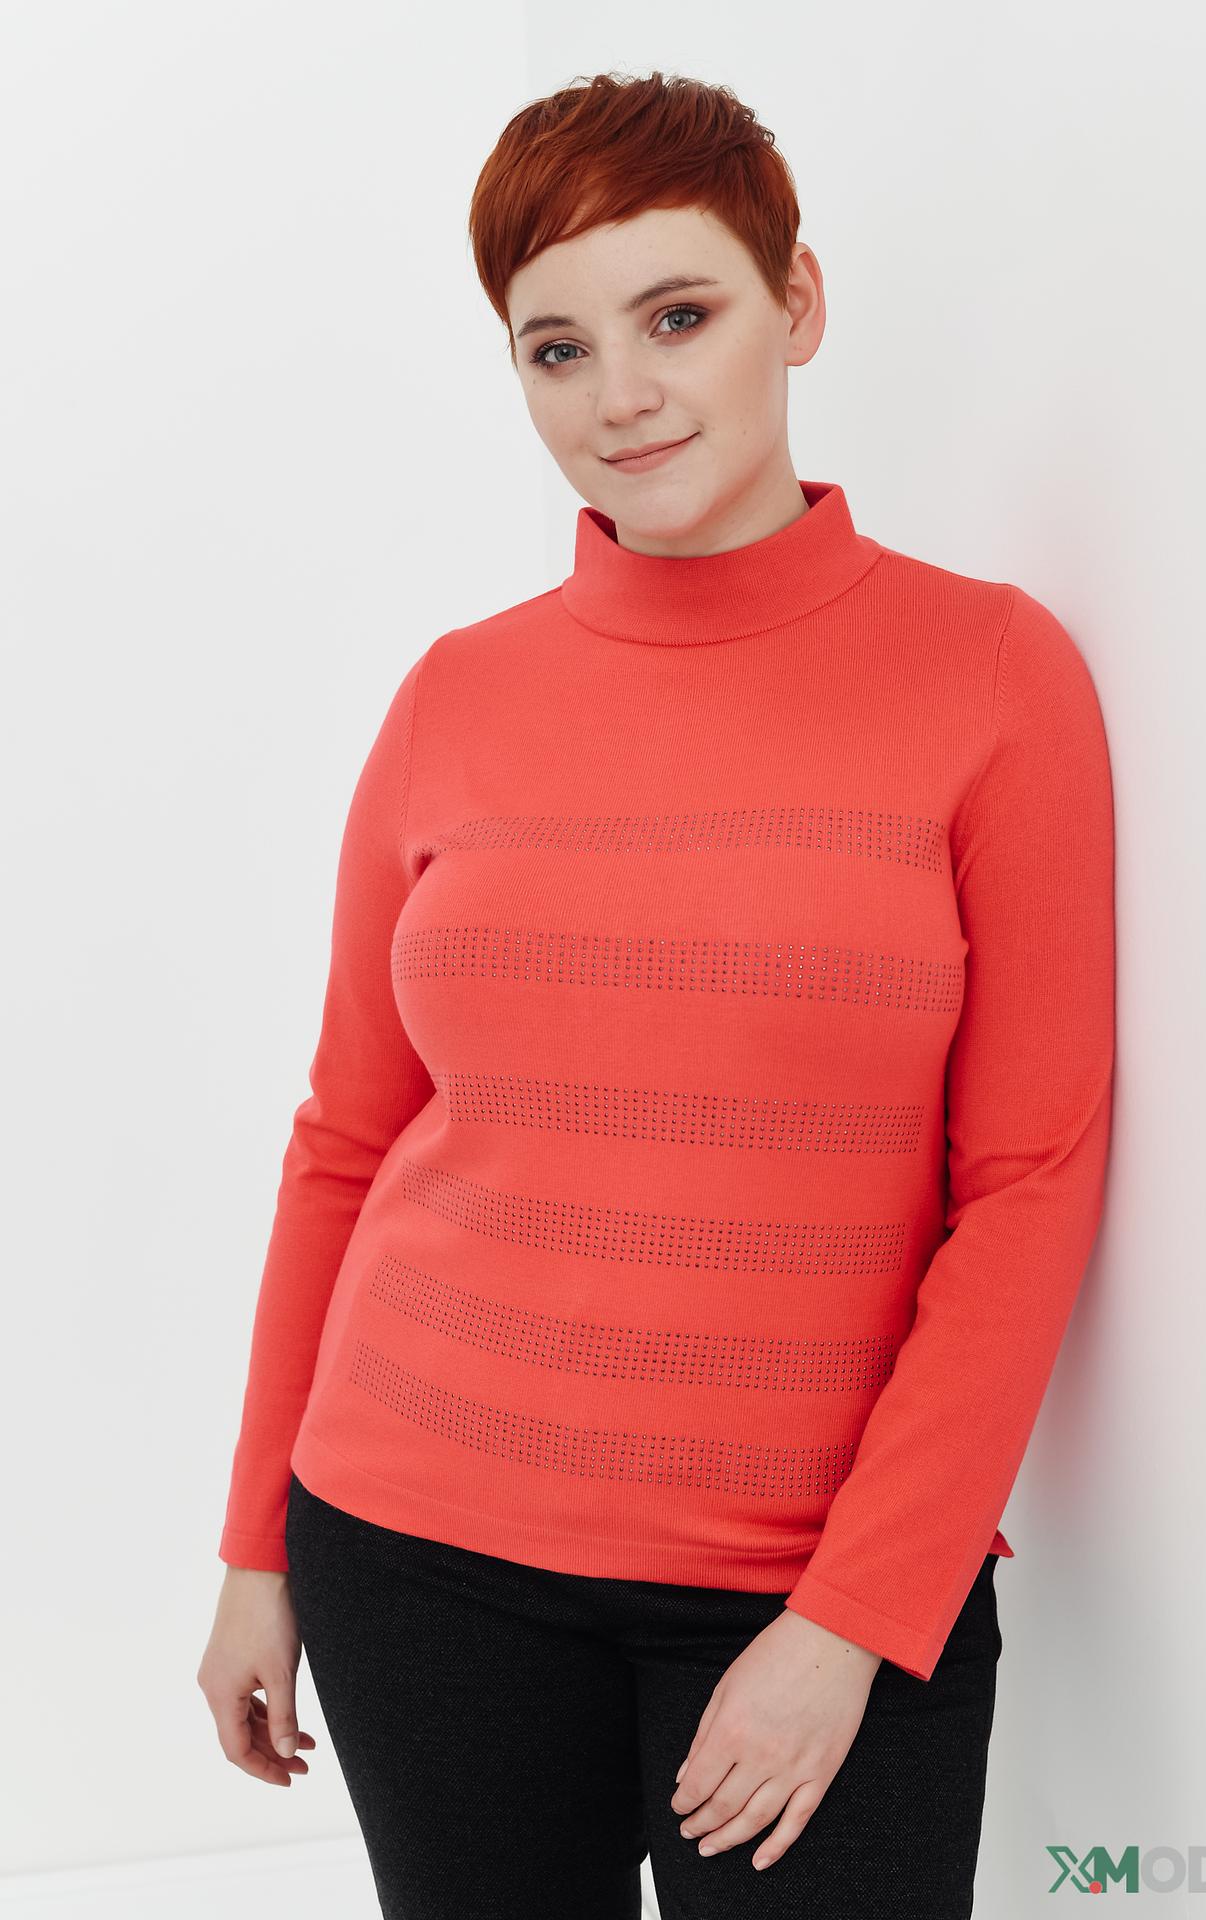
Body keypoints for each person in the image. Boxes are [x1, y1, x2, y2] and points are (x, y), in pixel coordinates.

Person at [198, 68, 1116, 1920]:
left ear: (799, 301)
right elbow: (348, 1138)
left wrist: (854, 1617)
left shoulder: (990, 675)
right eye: (557, 349)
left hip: (810, 1585)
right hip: (413, 1547)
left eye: (677, 316)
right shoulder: (456, 695)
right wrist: (257, 1547)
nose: (619, 395)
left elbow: (1028, 1185)